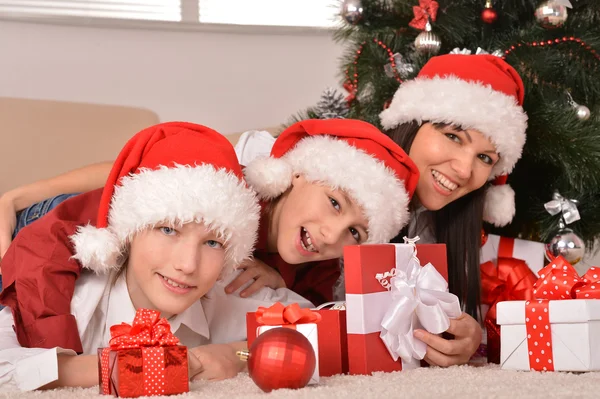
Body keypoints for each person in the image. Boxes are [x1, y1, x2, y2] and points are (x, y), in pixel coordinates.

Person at [0, 122, 311, 392]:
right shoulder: (72, 299)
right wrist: (95, 368)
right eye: (167, 230)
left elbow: (325, 323)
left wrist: (239, 353)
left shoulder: (229, 294)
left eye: (213, 243)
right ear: (130, 232)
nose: (187, 265)